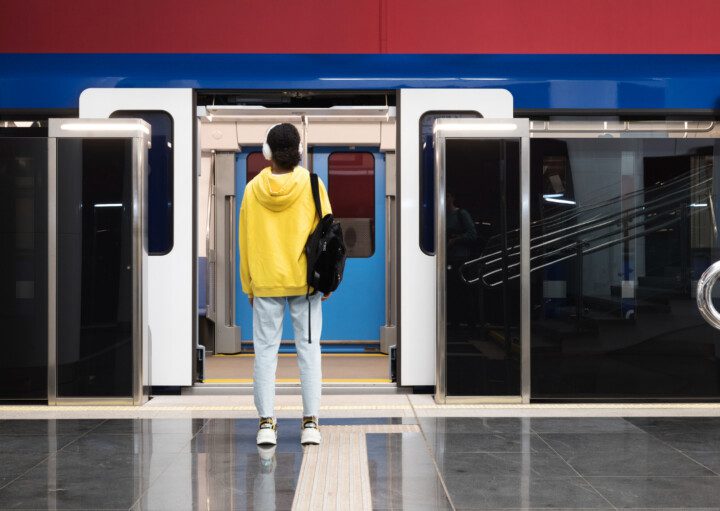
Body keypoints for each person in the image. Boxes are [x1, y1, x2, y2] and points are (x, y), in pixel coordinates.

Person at [239, 123, 332, 446]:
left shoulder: (252, 189)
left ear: (267, 153)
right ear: (298, 151)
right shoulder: (313, 184)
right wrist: (328, 280)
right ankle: (310, 424)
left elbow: (245, 240)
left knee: (265, 353)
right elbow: (328, 236)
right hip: (305, 286)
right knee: (309, 351)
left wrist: (248, 284)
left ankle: (266, 424)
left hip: (265, 283)